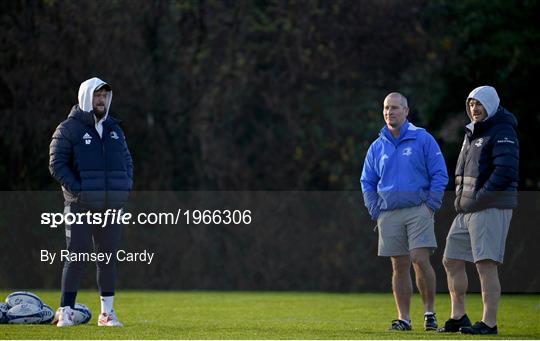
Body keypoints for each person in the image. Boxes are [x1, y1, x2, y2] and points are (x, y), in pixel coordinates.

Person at [49, 77, 133, 327]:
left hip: (111, 207)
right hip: (80, 205)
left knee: (107, 259)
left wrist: (125, 188)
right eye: (97, 95)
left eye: (105, 96)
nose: (101, 100)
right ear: (86, 97)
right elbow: (56, 164)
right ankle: (66, 310)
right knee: (76, 257)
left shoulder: (115, 129)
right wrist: (80, 191)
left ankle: (107, 314)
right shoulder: (68, 128)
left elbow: (128, 162)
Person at [361, 92, 448, 331]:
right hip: (388, 213)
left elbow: (440, 173)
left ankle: (430, 313)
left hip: (418, 209)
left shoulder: (423, 138)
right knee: (398, 266)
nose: (390, 112)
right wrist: (375, 210)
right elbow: (367, 180)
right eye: (387, 108)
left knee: (420, 259)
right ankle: (404, 319)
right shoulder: (377, 146)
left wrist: (431, 204)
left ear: (406, 111)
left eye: (395, 108)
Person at [439, 86, 518, 335]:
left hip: (491, 206)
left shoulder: (503, 130)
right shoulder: (471, 132)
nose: (474, 108)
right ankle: (458, 316)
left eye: (479, 104)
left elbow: (505, 172)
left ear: (491, 104)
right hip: (467, 210)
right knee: (451, 260)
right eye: (471, 104)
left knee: (485, 264)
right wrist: (462, 201)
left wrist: (478, 199)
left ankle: (489, 323)